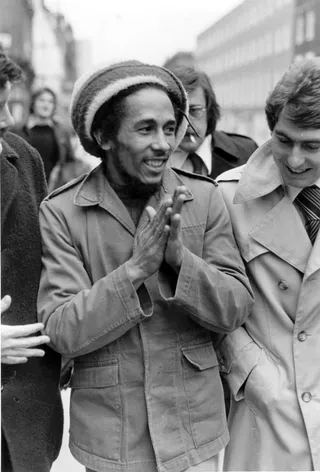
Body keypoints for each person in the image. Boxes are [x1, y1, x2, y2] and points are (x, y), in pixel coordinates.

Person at [37, 60, 254, 472]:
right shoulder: (62, 212)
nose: (164, 143)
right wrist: (134, 271)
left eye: (170, 128)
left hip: (195, 432)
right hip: (111, 437)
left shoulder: (204, 199)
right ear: (103, 136)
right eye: (145, 128)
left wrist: (179, 261)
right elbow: (61, 329)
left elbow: (235, 308)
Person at [216, 58, 320, 471]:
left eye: (312, 145)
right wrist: (251, 371)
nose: (294, 160)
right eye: (284, 140)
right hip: (267, 403)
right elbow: (210, 302)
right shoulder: (227, 197)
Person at [0, 52, 63, 471]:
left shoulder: (24, 156)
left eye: (9, 103)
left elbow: (47, 263)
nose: (6, 118)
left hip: (23, 394)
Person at [165, 65, 258, 179]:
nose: (187, 122)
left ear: (209, 111)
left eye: (194, 111)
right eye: (179, 112)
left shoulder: (247, 152)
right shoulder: (153, 160)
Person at [13, 86, 91, 192]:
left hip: (53, 187)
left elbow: (69, 160)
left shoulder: (62, 131)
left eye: (50, 102)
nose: (46, 104)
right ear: (33, 103)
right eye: (42, 100)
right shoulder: (20, 130)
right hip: (24, 188)